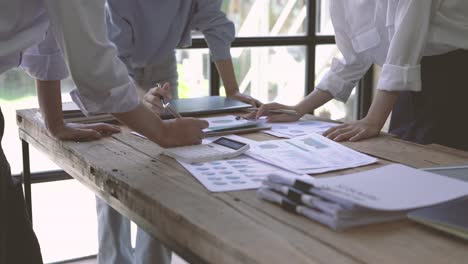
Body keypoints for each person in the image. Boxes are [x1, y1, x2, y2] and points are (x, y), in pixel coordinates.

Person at [1, 1, 208, 263]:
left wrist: (55, 122)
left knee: (16, 245)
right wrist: (162, 132)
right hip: (128, 78)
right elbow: (95, 68)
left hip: (147, 75)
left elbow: (48, 41)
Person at [95, 1, 262, 263]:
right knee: (114, 162)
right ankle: (114, 258)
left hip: (161, 68)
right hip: (114, 69)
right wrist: (140, 99)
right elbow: (115, 68)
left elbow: (214, 25)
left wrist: (232, 90)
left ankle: (154, 259)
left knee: (164, 164)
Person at [251, 0, 468, 150]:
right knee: (407, 162)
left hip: (455, 79)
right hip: (407, 88)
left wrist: (373, 119)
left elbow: (404, 47)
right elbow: (352, 59)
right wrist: (299, 108)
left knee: (444, 171)